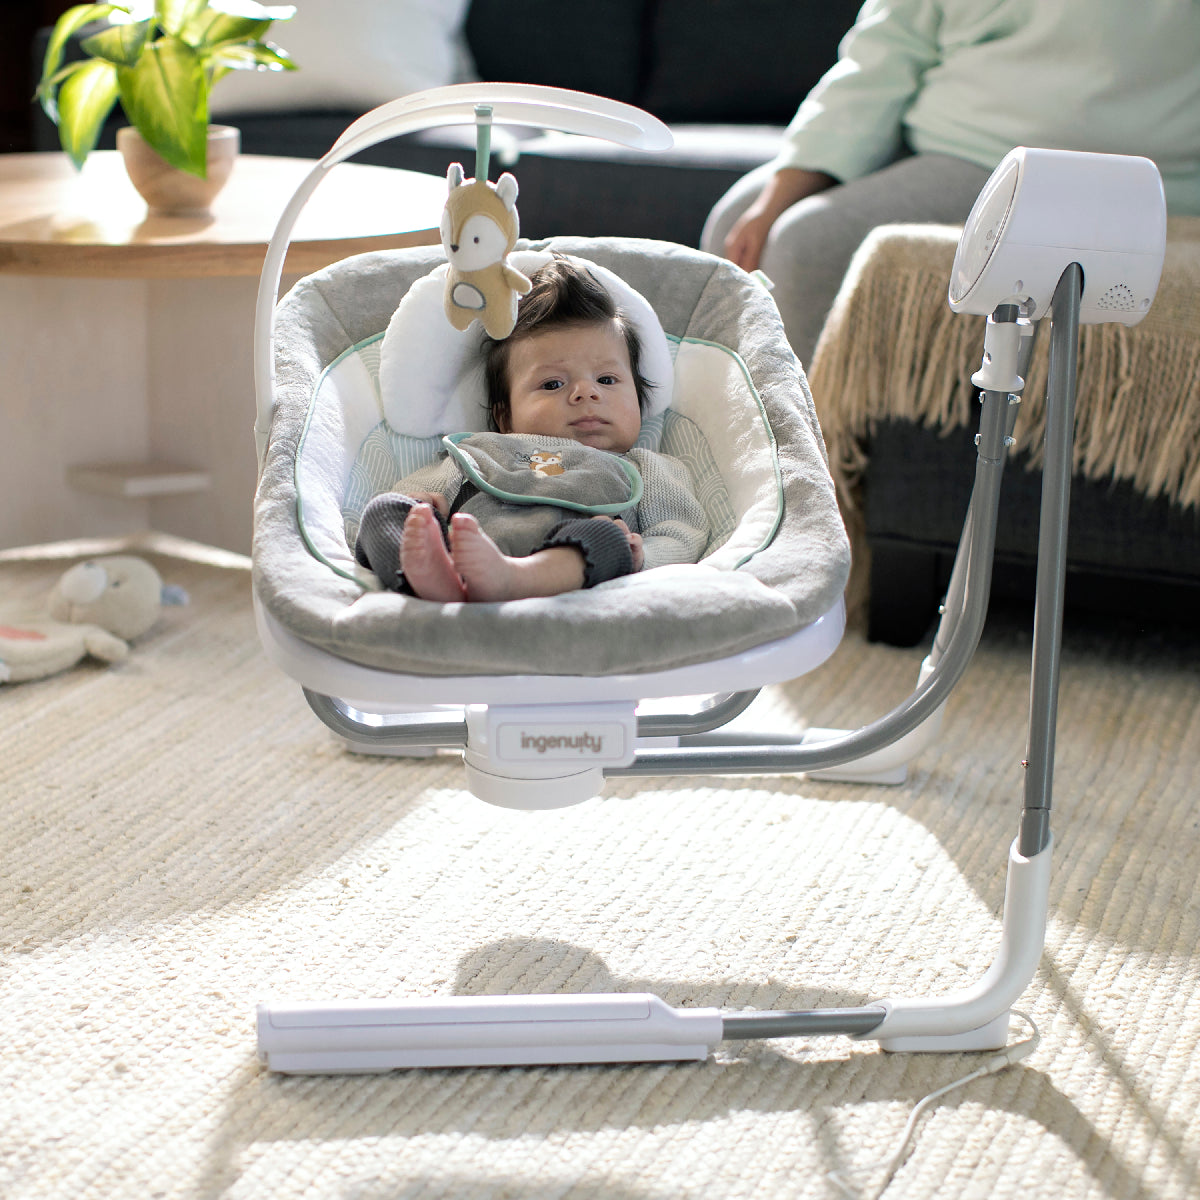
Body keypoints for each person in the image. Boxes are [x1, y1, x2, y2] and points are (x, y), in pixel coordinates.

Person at [702, 0, 1200, 364]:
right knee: (735, 218)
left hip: (1056, 162)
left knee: (807, 245)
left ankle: (805, 489)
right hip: (934, 127)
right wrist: (782, 190)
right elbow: (883, 53)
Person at [354, 258, 709, 602]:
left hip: (568, 570)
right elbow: (419, 493)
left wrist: (641, 555)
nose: (586, 392)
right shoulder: (481, 452)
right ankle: (431, 579)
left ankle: (514, 578)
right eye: (553, 384)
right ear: (505, 417)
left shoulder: (647, 469)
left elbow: (681, 533)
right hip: (463, 553)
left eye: (606, 379)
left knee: (606, 535)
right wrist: (421, 503)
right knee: (385, 509)